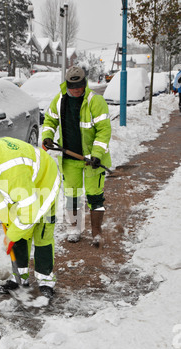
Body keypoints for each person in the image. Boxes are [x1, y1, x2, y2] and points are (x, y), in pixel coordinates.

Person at [0, 137, 61, 298]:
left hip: (44, 181)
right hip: (22, 181)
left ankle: (45, 281)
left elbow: (30, 212)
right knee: (17, 229)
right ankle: (20, 279)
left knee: (41, 233)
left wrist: (11, 236)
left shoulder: (13, 172)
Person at [42, 66, 112, 246]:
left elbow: (103, 131)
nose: (76, 90)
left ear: (84, 83)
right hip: (70, 158)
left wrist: (97, 155)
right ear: (67, 84)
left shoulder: (95, 101)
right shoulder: (59, 100)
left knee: (95, 195)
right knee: (72, 195)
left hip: (92, 161)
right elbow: (50, 121)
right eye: (73, 86)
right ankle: (74, 228)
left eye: (80, 85)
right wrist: (48, 136)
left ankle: (96, 232)